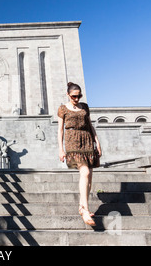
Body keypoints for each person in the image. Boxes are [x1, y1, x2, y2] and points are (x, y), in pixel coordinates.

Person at [57, 82, 102, 226]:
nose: (77, 99)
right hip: (73, 142)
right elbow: (60, 131)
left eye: (79, 96)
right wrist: (61, 149)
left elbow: (90, 125)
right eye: (74, 96)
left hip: (87, 141)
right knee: (85, 173)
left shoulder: (85, 107)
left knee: (89, 179)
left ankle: (82, 205)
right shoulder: (63, 108)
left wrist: (97, 142)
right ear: (68, 95)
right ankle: (85, 210)